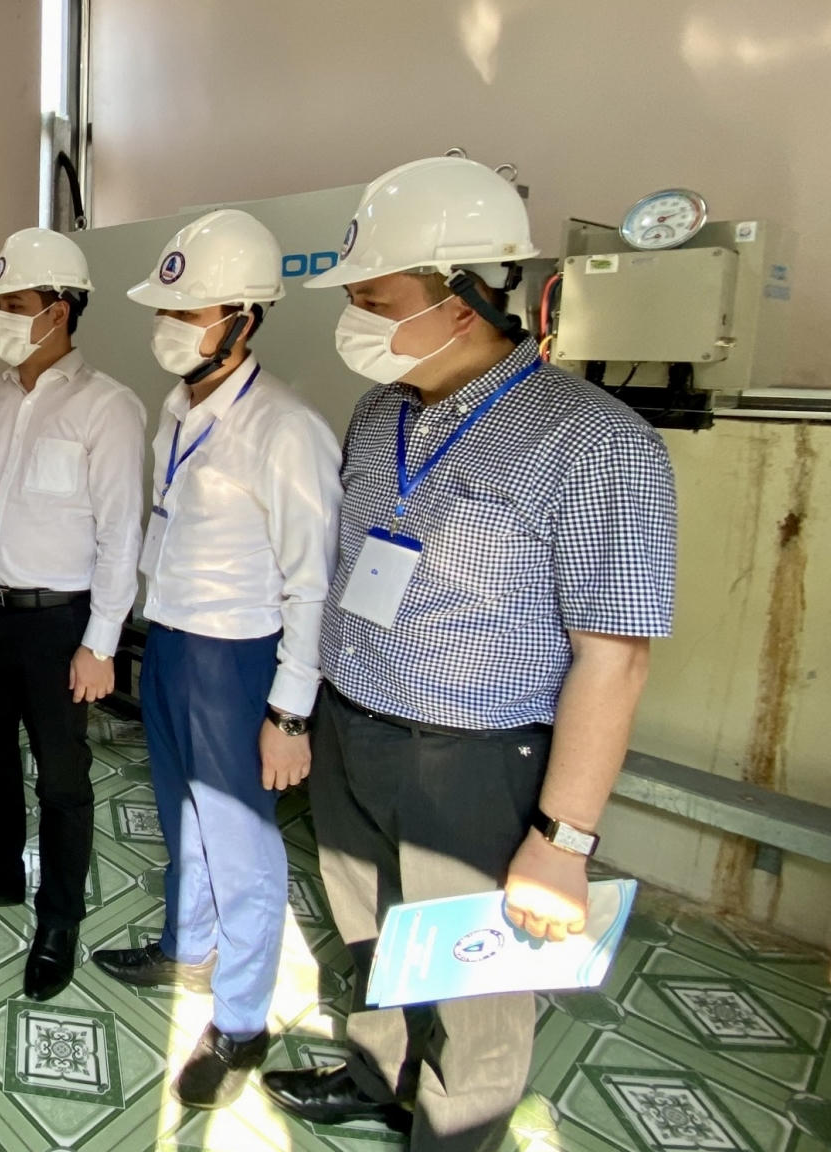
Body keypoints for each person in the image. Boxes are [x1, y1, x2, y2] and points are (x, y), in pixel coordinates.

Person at [259, 157, 677, 1150]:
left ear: (466, 298)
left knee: (477, 983)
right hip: (354, 730)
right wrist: (303, 711)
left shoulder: (594, 443)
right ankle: (379, 1072)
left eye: (375, 300)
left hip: (475, 764)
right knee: (372, 933)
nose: (354, 318)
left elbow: (614, 660)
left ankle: (457, 1126)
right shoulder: (379, 413)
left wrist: (563, 842)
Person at [88, 210, 342, 1108]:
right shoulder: (176, 411)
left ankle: (239, 1021)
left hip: (239, 658)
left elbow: (313, 583)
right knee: (181, 815)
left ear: (244, 317)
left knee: (240, 844)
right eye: (166, 308)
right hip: (171, 640)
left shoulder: (287, 428)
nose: (169, 326)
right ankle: (187, 948)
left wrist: (289, 712)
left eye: (189, 311)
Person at [0, 227, 145, 1001]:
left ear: (60, 308)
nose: (2, 320)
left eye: (15, 305)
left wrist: (101, 642)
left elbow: (121, 535)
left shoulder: (108, 407)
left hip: (58, 626)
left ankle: (59, 919)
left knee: (62, 779)